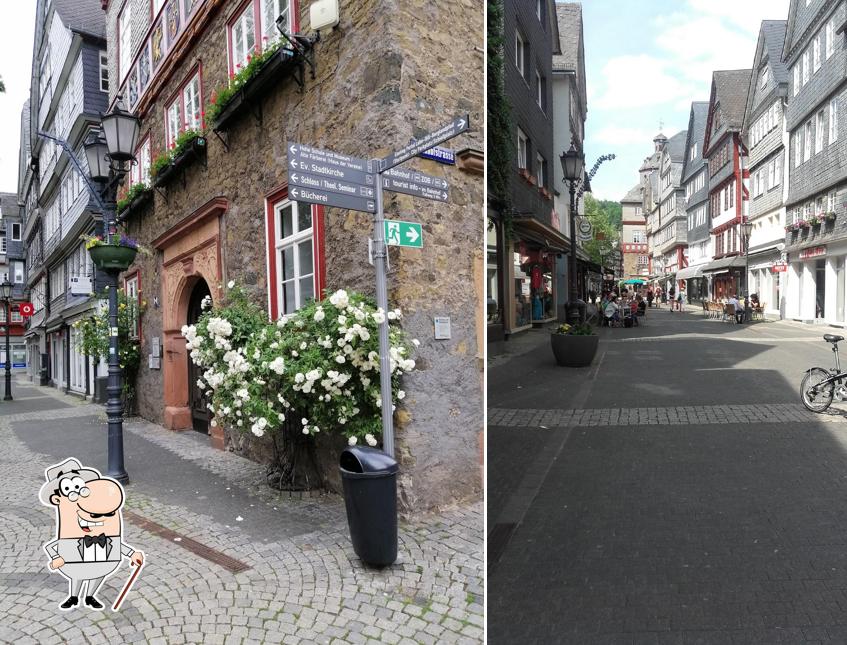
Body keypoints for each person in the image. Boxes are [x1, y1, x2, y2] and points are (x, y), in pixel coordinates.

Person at [40, 458, 145, 611]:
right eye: (71, 492)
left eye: (81, 488)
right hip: (74, 560)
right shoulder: (69, 526)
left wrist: (133, 553)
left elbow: (116, 545)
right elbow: (52, 546)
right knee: (77, 574)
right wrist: (57, 558)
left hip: (103, 559)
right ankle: (73, 597)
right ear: (57, 499)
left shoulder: (99, 514)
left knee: (98, 573)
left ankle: (90, 596)